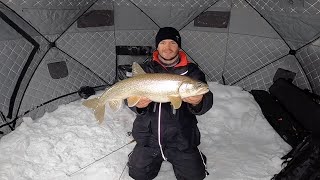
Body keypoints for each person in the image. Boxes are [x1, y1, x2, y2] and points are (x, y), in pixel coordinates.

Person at [127, 27, 213, 180]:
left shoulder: (192, 71)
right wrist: (137, 106)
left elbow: (207, 98)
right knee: (137, 174)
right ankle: (139, 154)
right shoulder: (145, 69)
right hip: (149, 138)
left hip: (181, 139)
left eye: (173, 42)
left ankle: (196, 158)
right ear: (157, 46)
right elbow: (128, 97)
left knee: (195, 176)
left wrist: (199, 101)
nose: (167, 48)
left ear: (179, 46)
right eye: (163, 43)